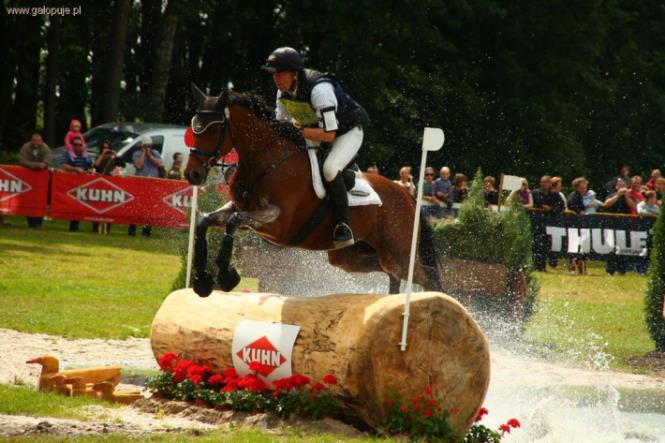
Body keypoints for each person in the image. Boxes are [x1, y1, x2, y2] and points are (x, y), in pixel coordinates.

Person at [262, 47, 370, 247]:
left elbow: (328, 135)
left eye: (280, 73)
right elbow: (281, 127)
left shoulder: (319, 90)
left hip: (346, 132)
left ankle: (343, 226)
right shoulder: (282, 93)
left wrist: (297, 132)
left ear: (294, 73)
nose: (275, 78)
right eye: (273, 74)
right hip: (315, 132)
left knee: (329, 169)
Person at [128, 136, 163, 237]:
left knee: (149, 208)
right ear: (141, 145)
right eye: (145, 145)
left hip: (152, 185)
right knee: (136, 207)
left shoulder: (155, 153)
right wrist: (144, 153)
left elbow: (160, 164)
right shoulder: (137, 154)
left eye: (149, 145)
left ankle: (147, 231)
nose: (147, 147)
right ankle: (132, 230)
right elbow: (139, 165)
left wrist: (150, 155)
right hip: (140, 184)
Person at [58, 136, 94, 232]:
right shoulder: (67, 154)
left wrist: (89, 170)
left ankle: (86, 227)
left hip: (84, 183)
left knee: (84, 205)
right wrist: (75, 169)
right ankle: (73, 226)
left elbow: (91, 166)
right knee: (73, 205)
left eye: (80, 144)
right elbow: (63, 165)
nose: (78, 146)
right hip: (70, 183)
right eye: (75, 144)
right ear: (72, 145)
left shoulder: (86, 155)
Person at [17, 132, 52, 228]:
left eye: (38, 140)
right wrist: (37, 165)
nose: (35, 142)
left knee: (41, 201)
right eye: (33, 140)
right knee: (28, 199)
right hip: (27, 179)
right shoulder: (25, 147)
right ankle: (30, 223)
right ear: (31, 141)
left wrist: (31, 165)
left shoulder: (45, 148)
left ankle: (39, 223)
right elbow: (21, 160)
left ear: (41, 141)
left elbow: (47, 162)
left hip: (41, 180)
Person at [603, 178, 635, 275]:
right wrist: (617, 195)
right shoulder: (612, 195)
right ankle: (610, 269)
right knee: (611, 248)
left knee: (623, 247)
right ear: (616, 187)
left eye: (623, 186)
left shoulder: (629, 196)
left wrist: (626, 196)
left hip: (625, 225)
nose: (622, 188)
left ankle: (622, 269)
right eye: (620, 185)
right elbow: (606, 204)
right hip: (612, 225)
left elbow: (633, 206)